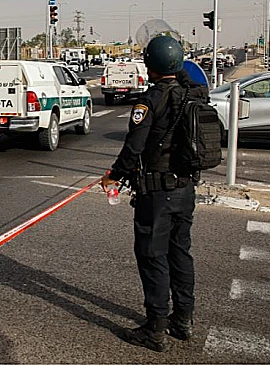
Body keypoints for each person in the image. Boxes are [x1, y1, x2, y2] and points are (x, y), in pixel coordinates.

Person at [101, 34, 208, 352]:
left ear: (150, 65)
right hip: (186, 190)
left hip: (157, 195)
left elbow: (133, 148)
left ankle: (155, 330)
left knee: (153, 257)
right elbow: (185, 74)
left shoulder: (149, 101)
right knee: (180, 255)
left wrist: (113, 176)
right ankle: (183, 321)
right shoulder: (194, 94)